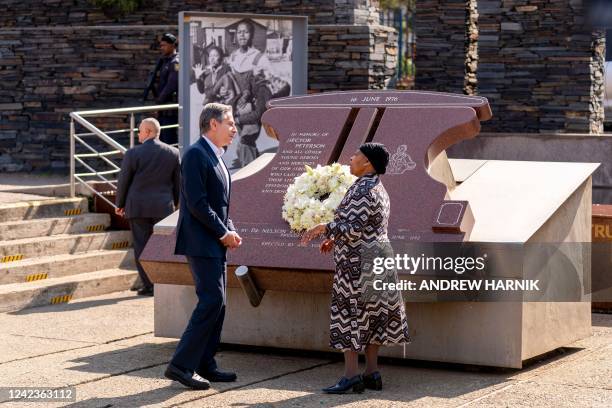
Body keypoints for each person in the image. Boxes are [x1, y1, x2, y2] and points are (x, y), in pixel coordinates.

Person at [301, 143, 410, 394]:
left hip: (357, 264)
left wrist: (323, 228)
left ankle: (351, 376)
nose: (350, 158)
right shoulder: (378, 187)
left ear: (368, 163)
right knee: (373, 316)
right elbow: (364, 225)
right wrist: (334, 236)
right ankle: (372, 373)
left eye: (356, 156)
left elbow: (353, 228)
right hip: (377, 258)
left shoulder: (362, 189)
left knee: (350, 314)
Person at [164, 103, 242, 390]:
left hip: (215, 241)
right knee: (210, 302)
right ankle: (181, 366)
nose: (234, 128)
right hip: (201, 242)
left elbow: (220, 204)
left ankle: (205, 364)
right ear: (212, 124)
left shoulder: (216, 156)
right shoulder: (196, 154)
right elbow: (197, 203)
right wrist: (223, 232)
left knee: (218, 304)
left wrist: (229, 229)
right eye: (230, 123)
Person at [115, 118, 180, 296]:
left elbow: (124, 181)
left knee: (141, 246)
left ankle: (149, 285)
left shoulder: (133, 153)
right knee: (163, 246)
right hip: (163, 207)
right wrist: (175, 203)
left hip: (138, 207)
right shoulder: (173, 153)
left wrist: (119, 204)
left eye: (140, 131)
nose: (138, 134)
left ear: (149, 132)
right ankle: (165, 282)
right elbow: (177, 183)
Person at [228, 19, 272, 167]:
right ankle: (254, 165)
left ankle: (250, 171)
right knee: (244, 139)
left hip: (253, 105)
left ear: (251, 35)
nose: (242, 35)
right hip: (238, 105)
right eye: (239, 32)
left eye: (246, 32)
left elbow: (266, 82)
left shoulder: (259, 57)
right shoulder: (233, 56)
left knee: (247, 138)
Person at [144, 33, 179, 145]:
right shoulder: (165, 61)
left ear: (173, 46)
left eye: (164, 45)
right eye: (161, 45)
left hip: (169, 107)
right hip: (163, 107)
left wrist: (159, 102)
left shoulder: (175, 62)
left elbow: (171, 85)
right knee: (162, 137)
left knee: (169, 138)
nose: (162, 48)